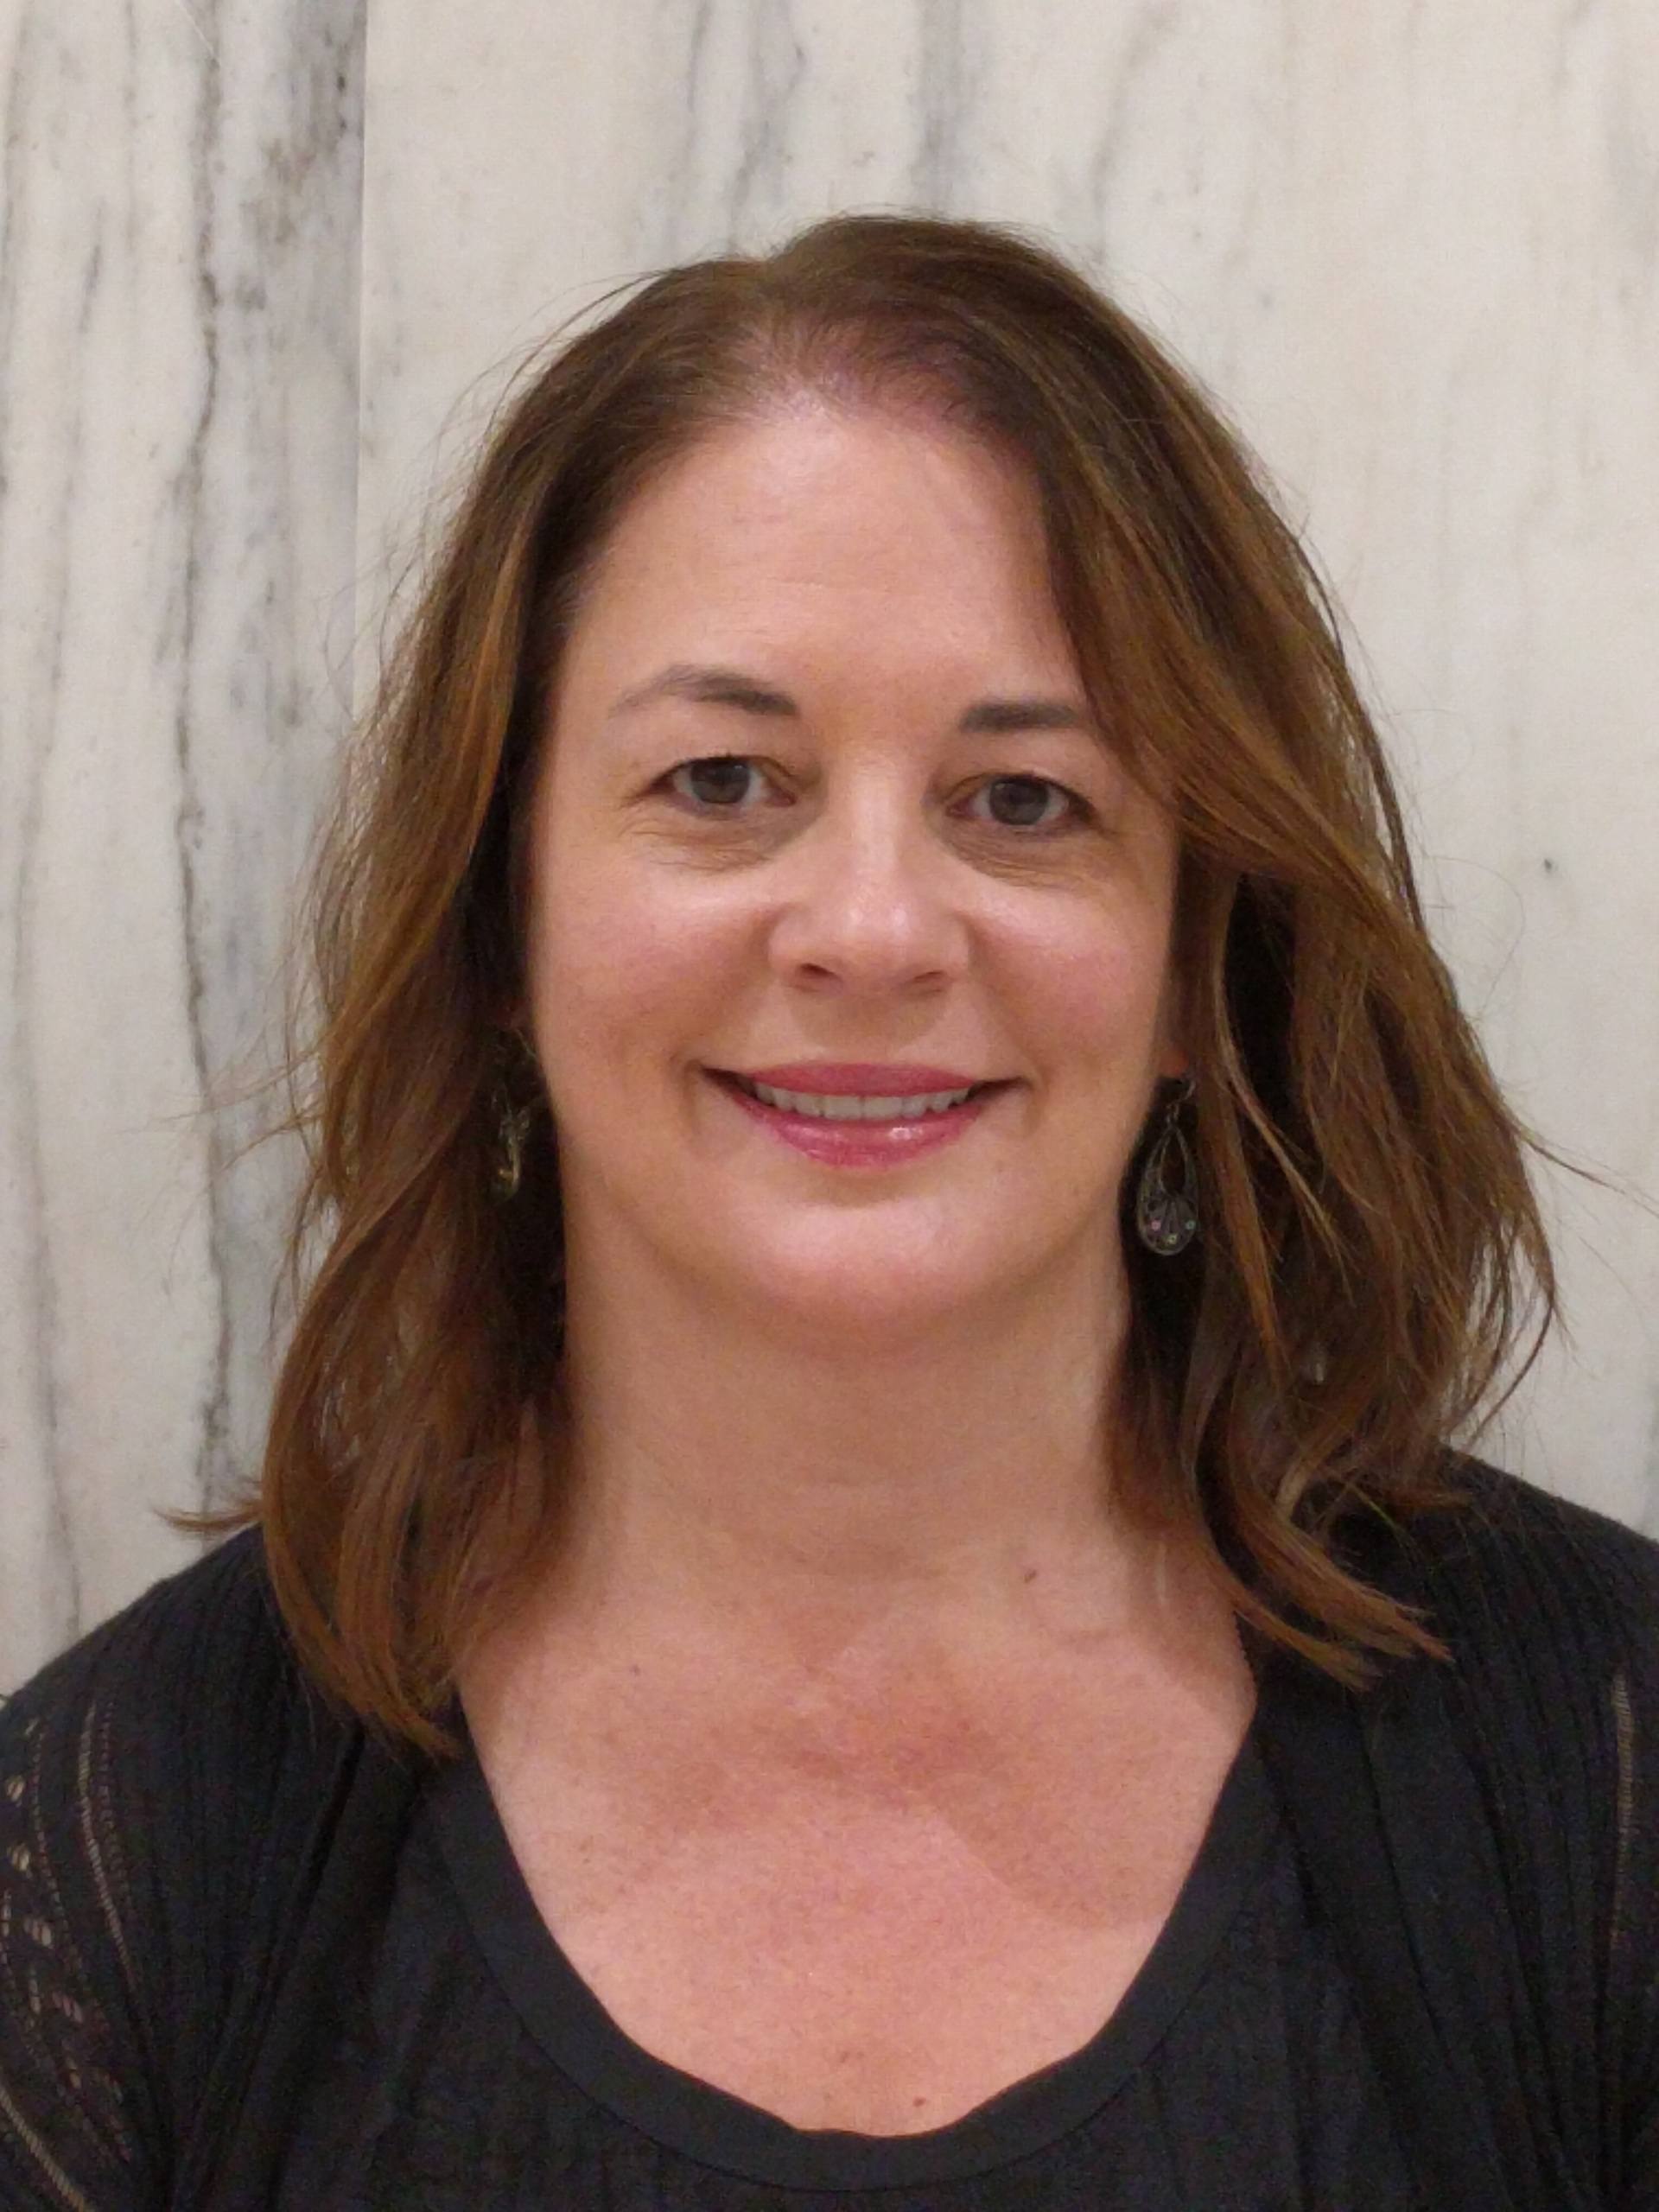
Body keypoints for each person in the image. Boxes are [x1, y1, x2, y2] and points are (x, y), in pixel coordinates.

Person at [1, 211, 1655, 2212]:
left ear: (1202, 959)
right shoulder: (125, 1833)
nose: (872, 930)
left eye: (1023, 799)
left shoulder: (1606, 1781)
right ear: (502, 917)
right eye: (722, 779)